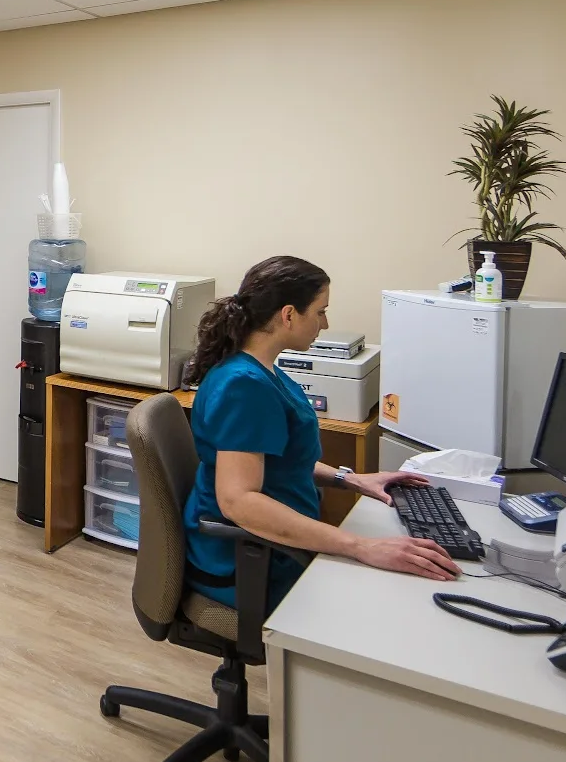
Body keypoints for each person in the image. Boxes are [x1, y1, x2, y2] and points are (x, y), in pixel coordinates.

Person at [182, 255, 460, 614]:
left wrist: (351, 479)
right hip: (247, 564)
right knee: (395, 602)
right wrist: (360, 546)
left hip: (275, 544)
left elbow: (281, 460)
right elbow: (239, 501)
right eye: (320, 312)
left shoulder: (261, 370)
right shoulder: (244, 386)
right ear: (288, 315)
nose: (324, 324)